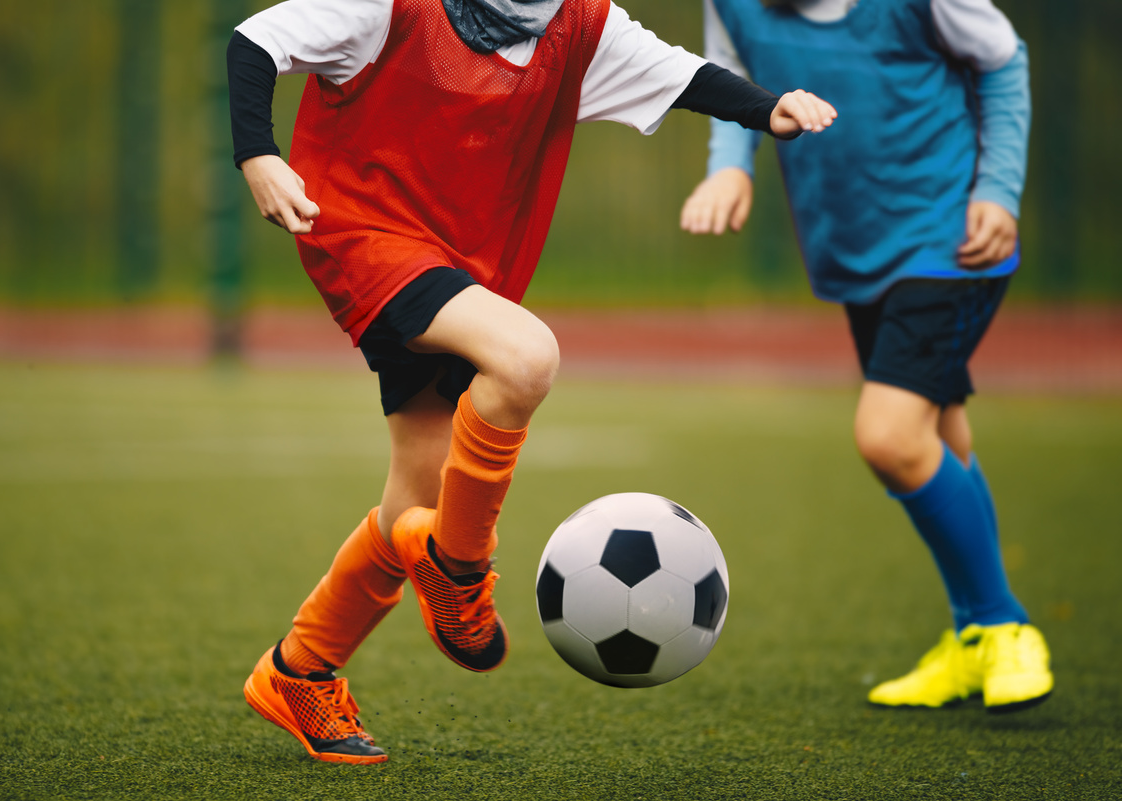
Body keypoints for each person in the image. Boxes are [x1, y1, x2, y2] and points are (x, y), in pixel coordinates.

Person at [227, 0, 836, 763]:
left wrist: (766, 108)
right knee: (524, 358)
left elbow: (679, 74)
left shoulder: (579, 25)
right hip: (363, 232)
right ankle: (458, 568)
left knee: (412, 501)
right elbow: (257, 40)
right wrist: (258, 152)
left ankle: (298, 668)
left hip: (464, 265)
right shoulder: (388, 7)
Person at [680, 0, 1051, 713]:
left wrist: (998, 192)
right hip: (855, 248)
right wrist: (731, 166)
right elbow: (729, 76)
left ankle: (1003, 624)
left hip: (948, 241)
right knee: (937, 430)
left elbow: (1005, 61)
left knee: (888, 435)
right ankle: (974, 636)